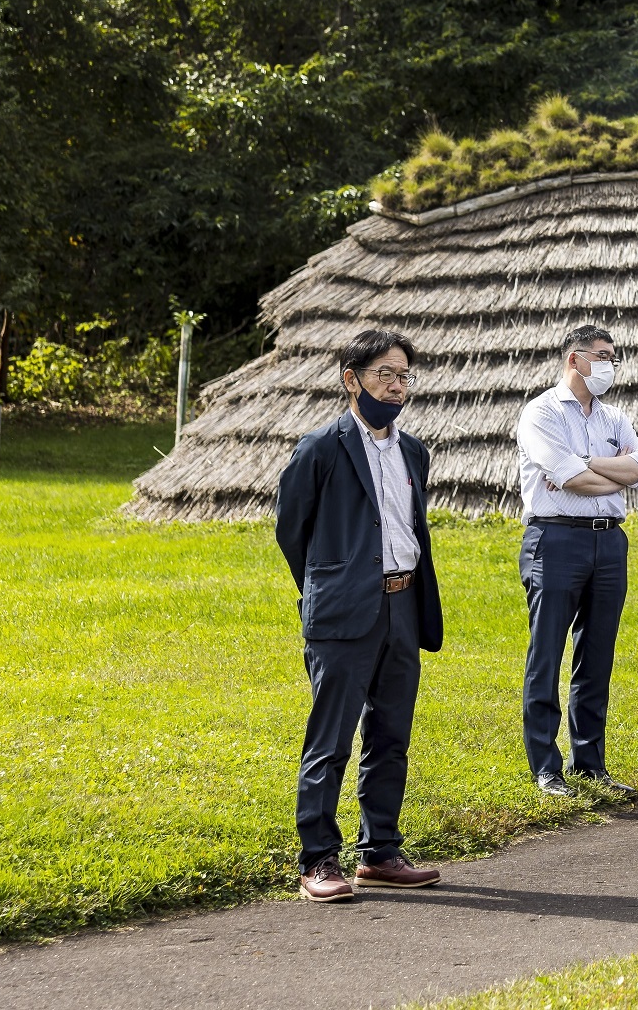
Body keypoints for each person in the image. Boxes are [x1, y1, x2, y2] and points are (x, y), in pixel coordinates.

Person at [274, 328, 446, 901]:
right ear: (352, 380)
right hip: (344, 612)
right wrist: (330, 587)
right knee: (331, 739)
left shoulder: (413, 451)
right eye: (384, 375)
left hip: (403, 605)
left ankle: (381, 852)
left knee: (391, 734)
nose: (396, 387)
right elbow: (292, 531)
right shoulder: (320, 448)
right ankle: (318, 859)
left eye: (404, 377)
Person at [513, 323, 638, 797]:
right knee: (547, 653)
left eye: (614, 357)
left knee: (597, 655)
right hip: (556, 539)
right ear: (575, 359)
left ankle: (590, 763)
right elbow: (570, 477)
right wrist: (610, 471)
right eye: (602, 356)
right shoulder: (541, 412)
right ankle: (545, 767)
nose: (610, 365)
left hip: (609, 541)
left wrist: (585, 463)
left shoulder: (614, 417)